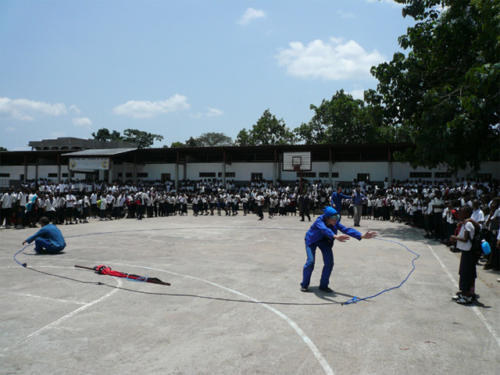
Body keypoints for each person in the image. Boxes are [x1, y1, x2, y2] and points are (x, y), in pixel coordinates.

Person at [300, 207, 377, 292]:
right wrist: (335, 236)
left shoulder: (335, 222)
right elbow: (324, 229)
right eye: (333, 218)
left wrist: (361, 235)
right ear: (327, 218)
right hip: (312, 240)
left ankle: (323, 285)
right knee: (310, 262)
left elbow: (345, 229)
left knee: (329, 263)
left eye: (337, 218)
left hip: (325, 242)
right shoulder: (319, 221)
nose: (336, 220)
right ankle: (304, 284)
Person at [450, 206, 479, 304]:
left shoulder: (468, 224)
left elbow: (465, 239)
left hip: (469, 252)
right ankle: (466, 292)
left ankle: (467, 295)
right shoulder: (466, 223)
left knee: (466, 273)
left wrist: (455, 237)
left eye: (461, 213)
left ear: (466, 214)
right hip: (467, 251)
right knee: (466, 272)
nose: (459, 214)